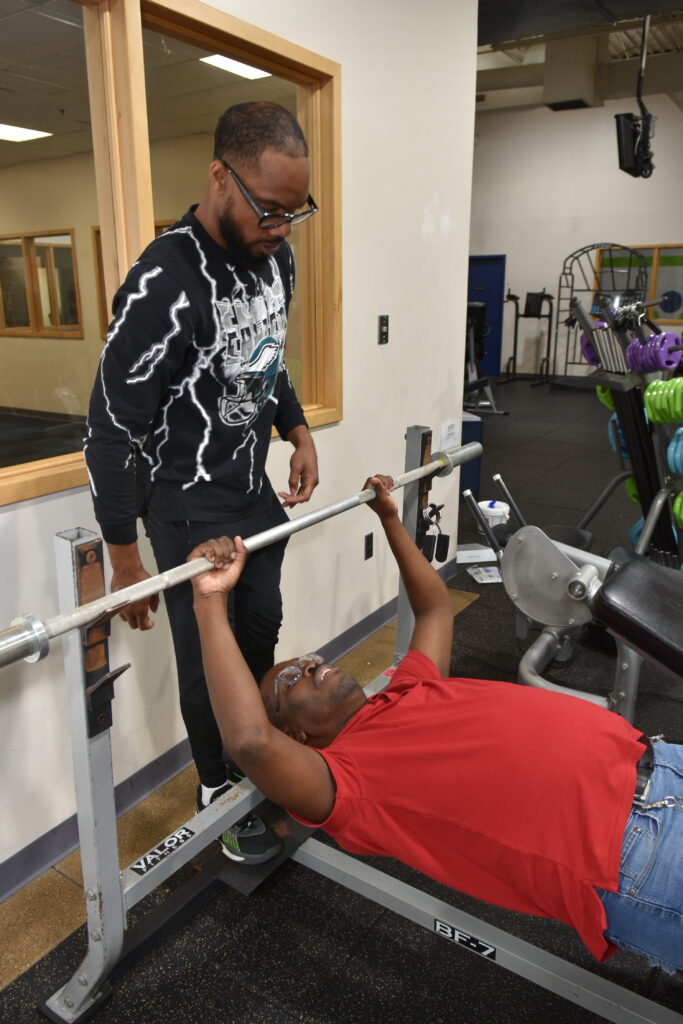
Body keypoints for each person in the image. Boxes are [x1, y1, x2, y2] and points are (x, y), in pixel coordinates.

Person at [189, 475, 683, 974]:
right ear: (293, 736)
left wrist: (387, 518)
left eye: (306, 658)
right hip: (633, 851)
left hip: (661, 764)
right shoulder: (345, 783)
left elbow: (433, 606)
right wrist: (209, 600)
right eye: (290, 680)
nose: (310, 666)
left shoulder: (408, 688)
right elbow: (250, 740)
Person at [85, 101, 319, 865]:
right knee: (204, 655)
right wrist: (125, 556)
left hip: (251, 489)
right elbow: (112, 426)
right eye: (270, 209)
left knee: (259, 632)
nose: (282, 228)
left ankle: (254, 754)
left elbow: (269, 356)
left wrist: (296, 430)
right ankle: (216, 786)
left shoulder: (274, 255)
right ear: (220, 177)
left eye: (295, 211)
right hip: (186, 507)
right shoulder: (164, 282)